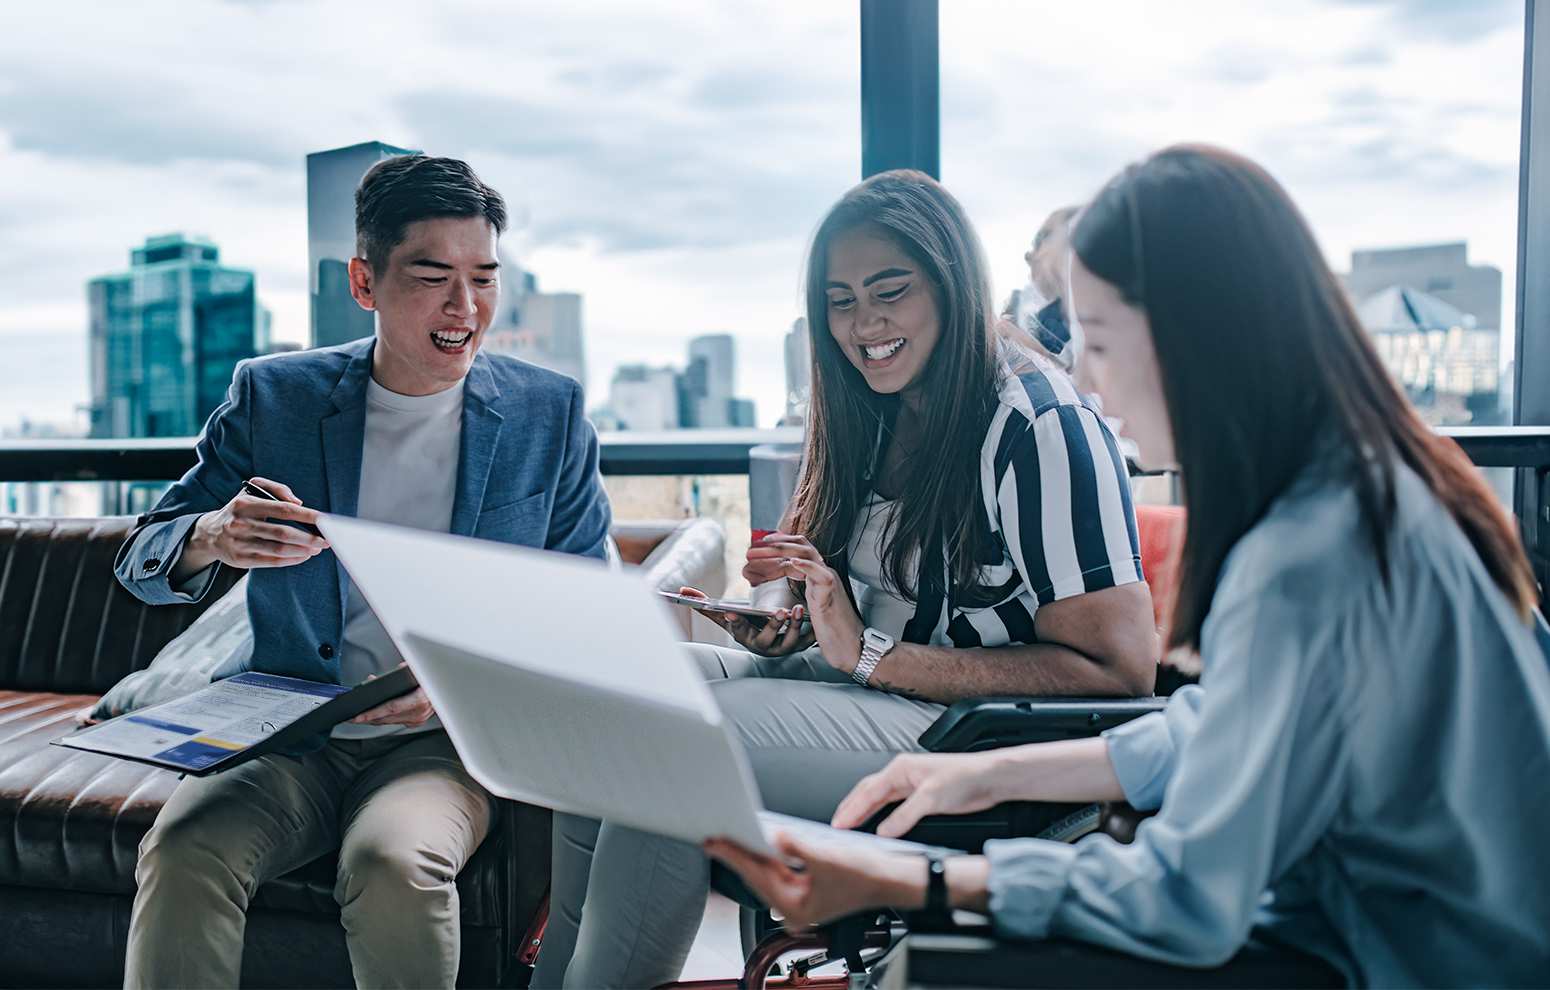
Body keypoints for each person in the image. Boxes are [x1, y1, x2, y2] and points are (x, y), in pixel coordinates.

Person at [706, 146, 1550, 988]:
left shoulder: (1307, 555)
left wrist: (921, 880)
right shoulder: (1368, 487)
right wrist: (986, 771)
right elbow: (1216, 727)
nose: (1083, 378)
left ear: (1198, 338)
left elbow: (1188, 897)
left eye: (1101, 340)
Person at [533, 170, 1159, 989]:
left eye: (889, 291)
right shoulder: (871, 401)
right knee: (611, 697)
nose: (864, 324)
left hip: (976, 733)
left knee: (673, 748)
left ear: (951, 281)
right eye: (840, 300)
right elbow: (833, 590)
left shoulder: (1036, 423)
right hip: (866, 690)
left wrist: (867, 654)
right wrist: (783, 611)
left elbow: (1121, 673)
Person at [114, 155, 611, 989]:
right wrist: (211, 533)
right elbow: (140, 558)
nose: (466, 308)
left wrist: (465, 682)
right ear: (364, 281)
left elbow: (586, 608)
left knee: (392, 863)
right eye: (433, 276)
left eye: (484, 277)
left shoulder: (546, 412)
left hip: (443, 743)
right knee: (183, 844)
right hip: (289, 733)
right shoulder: (275, 400)